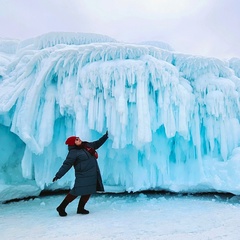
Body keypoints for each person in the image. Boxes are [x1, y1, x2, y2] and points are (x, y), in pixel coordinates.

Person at [52, 131, 108, 217]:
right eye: (77, 140)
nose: (79, 140)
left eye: (78, 138)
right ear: (73, 143)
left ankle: (80, 208)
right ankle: (61, 207)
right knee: (76, 191)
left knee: (88, 191)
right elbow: (66, 165)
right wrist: (58, 175)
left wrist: (105, 136)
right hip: (82, 175)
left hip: (92, 174)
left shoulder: (87, 146)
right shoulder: (73, 153)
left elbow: (97, 143)